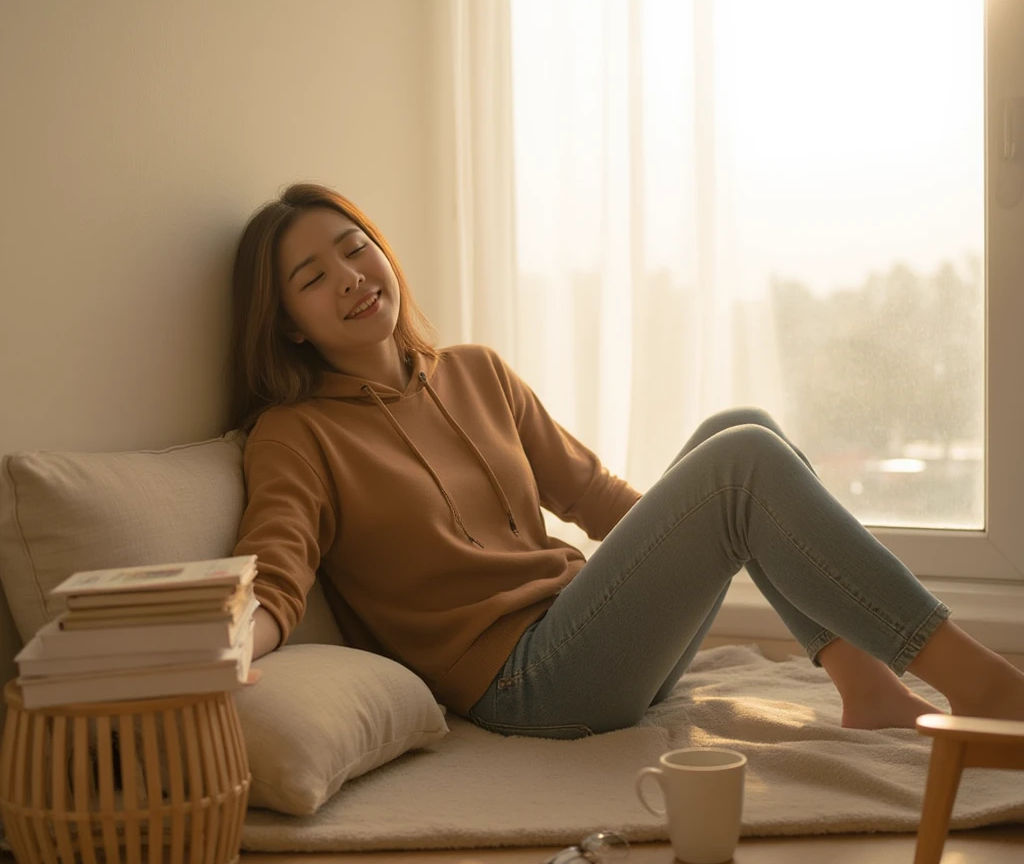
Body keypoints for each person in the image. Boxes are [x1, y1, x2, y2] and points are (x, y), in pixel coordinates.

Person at [228, 182, 1024, 738]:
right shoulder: (295, 434)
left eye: (355, 249)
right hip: (525, 686)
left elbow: (593, 495)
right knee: (739, 463)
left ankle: (869, 688)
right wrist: (227, 647)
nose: (351, 279)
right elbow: (275, 573)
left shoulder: (474, 371)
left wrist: (704, 534)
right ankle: (983, 686)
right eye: (313, 278)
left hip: (589, 633)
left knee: (738, 431)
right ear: (290, 323)